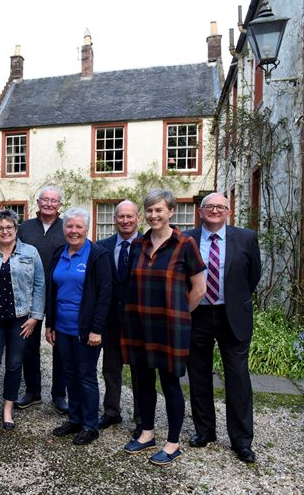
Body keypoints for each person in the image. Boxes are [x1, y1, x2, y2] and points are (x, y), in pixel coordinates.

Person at [122, 189, 206, 466]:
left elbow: (199, 289)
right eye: (149, 210)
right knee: (142, 382)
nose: (154, 215)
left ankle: (173, 442)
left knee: (170, 384)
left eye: (159, 210)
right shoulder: (138, 245)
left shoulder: (186, 244)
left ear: (171, 211)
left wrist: (179, 313)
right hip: (139, 324)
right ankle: (147, 433)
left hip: (171, 327)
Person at [186, 192, 261, 463]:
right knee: (198, 374)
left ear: (228, 212)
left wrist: (232, 298)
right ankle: (204, 431)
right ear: (200, 211)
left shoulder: (246, 238)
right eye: (209, 206)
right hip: (198, 314)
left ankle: (241, 440)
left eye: (220, 207)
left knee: (238, 378)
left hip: (233, 316)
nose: (214, 210)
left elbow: (253, 276)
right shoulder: (187, 239)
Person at [0, 210, 45, 432]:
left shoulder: (30, 253)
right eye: (0, 228)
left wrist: (35, 317)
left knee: (14, 365)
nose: (5, 231)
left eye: (9, 227)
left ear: (16, 229)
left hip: (20, 320)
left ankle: (8, 410)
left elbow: (40, 285)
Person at [46, 207, 112, 446]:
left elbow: (105, 294)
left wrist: (97, 329)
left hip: (86, 330)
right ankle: (74, 419)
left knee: (86, 376)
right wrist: (50, 324)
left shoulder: (97, 255)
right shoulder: (58, 254)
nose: (73, 231)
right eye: (69, 227)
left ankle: (90, 425)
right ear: (64, 229)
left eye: (78, 227)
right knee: (69, 374)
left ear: (87, 228)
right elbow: (52, 291)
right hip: (62, 328)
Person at [16, 186, 69, 414]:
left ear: (60, 205)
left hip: (59, 292)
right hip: (29, 294)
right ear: (38, 202)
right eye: (45, 200)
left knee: (60, 344)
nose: (49, 204)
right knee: (28, 344)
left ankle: (59, 394)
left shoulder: (67, 227)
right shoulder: (24, 228)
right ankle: (33, 391)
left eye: (54, 201)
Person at [95, 201, 142, 438]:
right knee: (110, 368)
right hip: (111, 319)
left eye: (129, 216)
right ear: (115, 219)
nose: (125, 220)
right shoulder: (102, 247)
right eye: (121, 216)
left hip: (138, 320)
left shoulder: (148, 245)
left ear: (138, 218)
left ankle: (141, 418)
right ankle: (112, 411)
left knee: (139, 371)